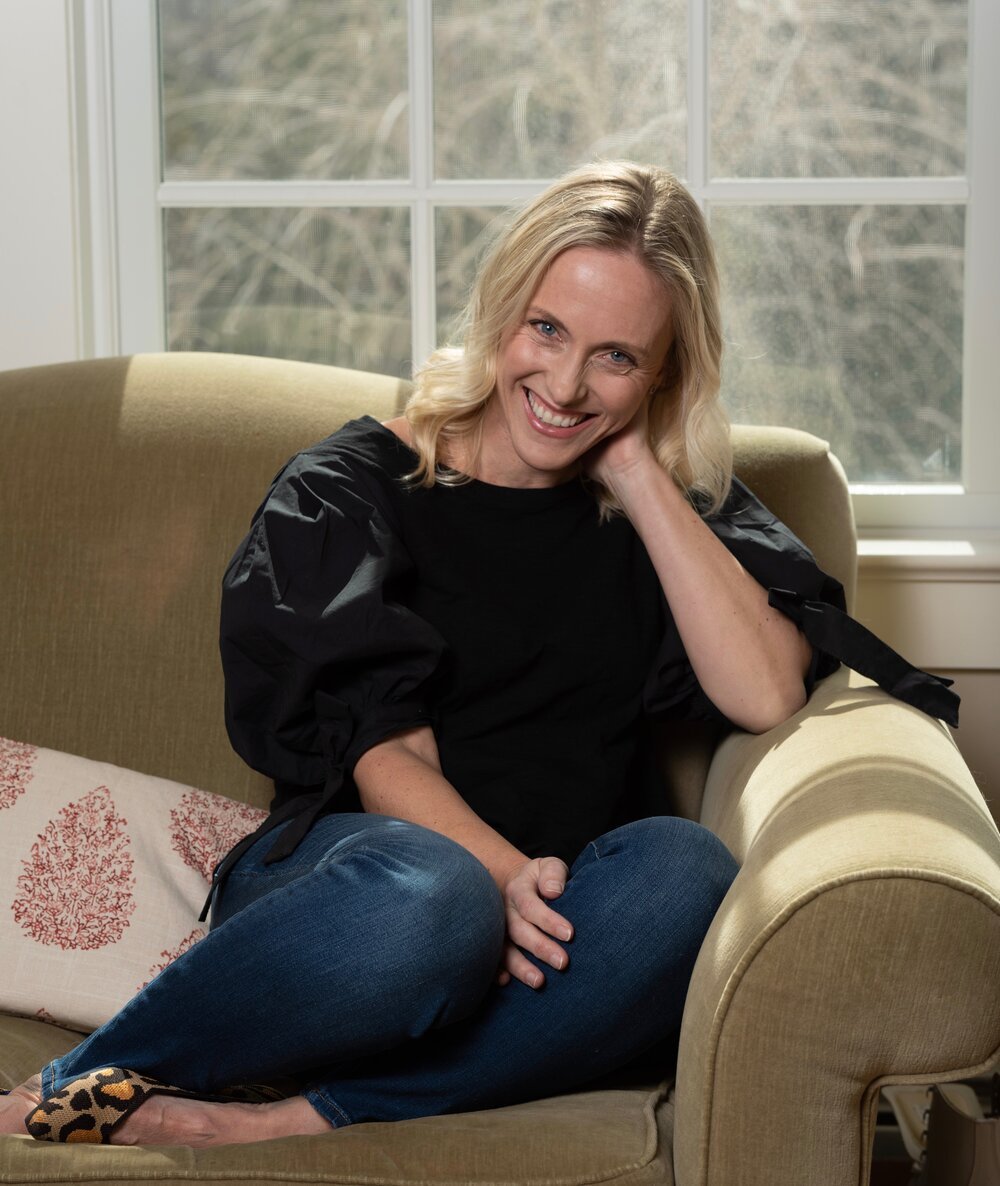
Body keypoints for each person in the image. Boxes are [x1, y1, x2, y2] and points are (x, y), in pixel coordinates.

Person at [1, 160, 956, 1147]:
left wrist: (633, 464)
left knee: (687, 873)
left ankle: (293, 1119)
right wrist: (499, 880)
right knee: (436, 899)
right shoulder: (351, 486)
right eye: (547, 329)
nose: (566, 385)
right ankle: (64, 1087)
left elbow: (762, 693)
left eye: (617, 356)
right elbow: (386, 758)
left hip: (556, 923)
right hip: (370, 899)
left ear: (665, 372)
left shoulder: (670, 509)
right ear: (503, 312)